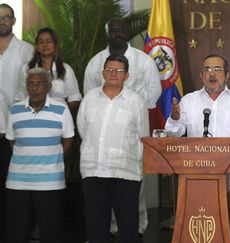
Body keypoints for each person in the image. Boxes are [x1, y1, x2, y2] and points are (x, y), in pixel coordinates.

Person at [165, 54, 230, 243]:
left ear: (227, 74)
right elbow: (172, 133)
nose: (212, 74)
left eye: (217, 69)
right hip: (196, 183)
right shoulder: (189, 101)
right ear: (201, 75)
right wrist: (175, 118)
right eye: (207, 69)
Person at [83, 17, 161, 237]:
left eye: (121, 29)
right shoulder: (95, 62)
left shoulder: (144, 60)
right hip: (102, 133)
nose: (117, 33)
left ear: (127, 32)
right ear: (108, 34)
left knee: (133, 177)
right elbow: (89, 96)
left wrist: (130, 110)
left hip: (132, 127)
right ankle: (109, 228)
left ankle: (137, 227)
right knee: (104, 179)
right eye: (113, 30)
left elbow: (153, 92)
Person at [77, 54, 148, 243]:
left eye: (118, 70)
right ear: (103, 73)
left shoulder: (136, 101)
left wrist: (134, 164)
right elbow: (83, 130)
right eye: (109, 69)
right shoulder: (89, 98)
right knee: (96, 226)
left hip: (125, 172)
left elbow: (143, 137)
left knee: (128, 228)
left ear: (126, 75)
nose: (113, 73)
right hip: (94, 170)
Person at [4, 67, 75, 243]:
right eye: (31, 84)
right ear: (26, 87)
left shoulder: (61, 109)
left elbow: (68, 139)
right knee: (17, 231)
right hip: (18, 181)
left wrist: (52, 160)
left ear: (49, 87)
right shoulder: (15, 110)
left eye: (39, 84)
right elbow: (11, 140)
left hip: (49, 181)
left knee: (49, 231)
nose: (34, 88)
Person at [0, 3, 33, 240]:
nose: (1, 21)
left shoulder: (26, 50)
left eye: (5, 17)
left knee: (14, 186)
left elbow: (34, 88)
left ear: (13, 20)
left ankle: (16, 232)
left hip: (14, 129)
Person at [16, 27, 82, 112]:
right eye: (41, 42)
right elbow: (20, 97)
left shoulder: (65, 69)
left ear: (55, 44)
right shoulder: (26, 69)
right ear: (36, 46)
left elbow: (74, 98)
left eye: (49, 41)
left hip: (59, 118)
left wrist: (62, 114)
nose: (45, 45)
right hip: (31, 117)